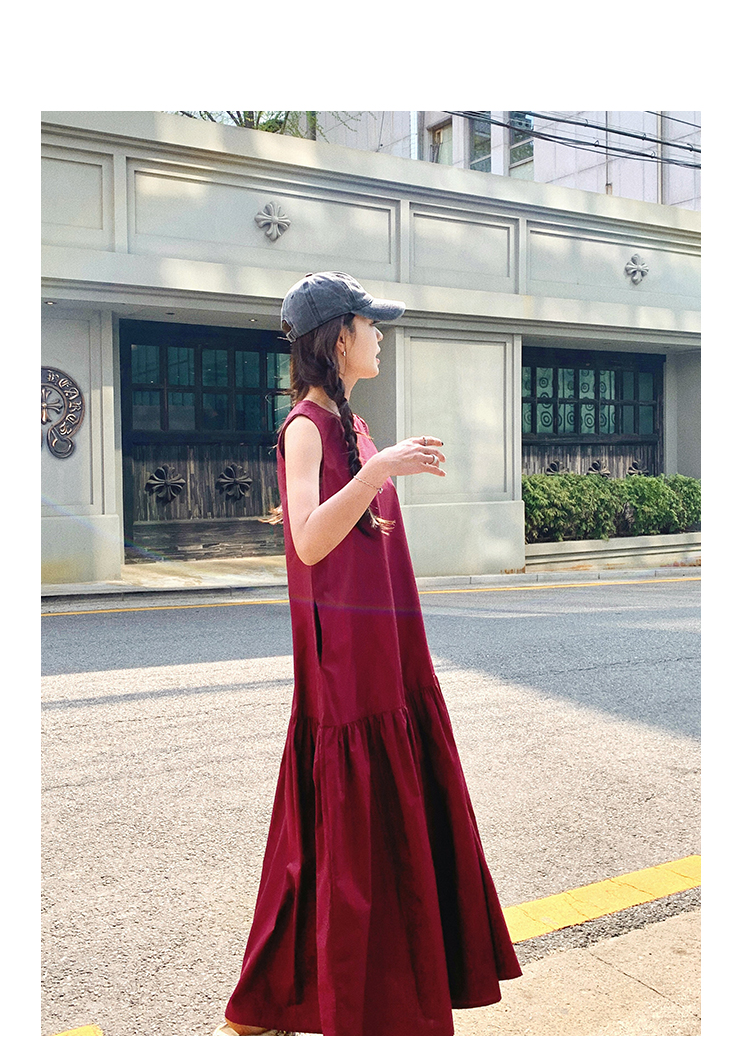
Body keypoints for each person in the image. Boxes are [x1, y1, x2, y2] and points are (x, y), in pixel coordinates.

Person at [214, 272, 521, 1037]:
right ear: (337, 336)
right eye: (370, 323)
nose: (380, 334)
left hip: (386, 647)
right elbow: (308, 541)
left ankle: (332, 989)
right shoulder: (306, 428)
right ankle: (314, 996)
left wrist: (379, 464)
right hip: (345, 664)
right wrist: (380, 471)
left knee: (356, 829)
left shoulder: (353, 425)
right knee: (338, 835)